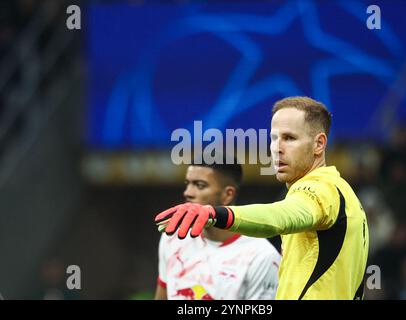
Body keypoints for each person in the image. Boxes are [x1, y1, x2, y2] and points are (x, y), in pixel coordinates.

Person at [156, 96, 369, 300]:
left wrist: (215, 213)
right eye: (274, 138)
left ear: (319, 144)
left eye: (289, 138)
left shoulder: (321, 189)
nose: (277, 148)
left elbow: (281, 216)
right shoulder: (344, 194)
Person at [154, 155, 280, 300]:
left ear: (228, 195)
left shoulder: (262, 256)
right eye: (187, 183)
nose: (187, 192)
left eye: (199, 185)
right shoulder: (173, 236)